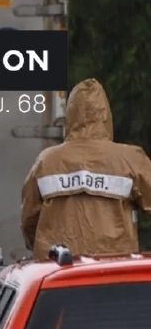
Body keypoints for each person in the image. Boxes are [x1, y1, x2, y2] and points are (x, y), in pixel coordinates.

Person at [21, 78, 151, 257]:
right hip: (114, 268)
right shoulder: (130, 159)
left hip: (56, 270)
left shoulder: (47, 162)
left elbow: (29, 219)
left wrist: (36, 246)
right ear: (106, 116)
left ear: (71, 114)